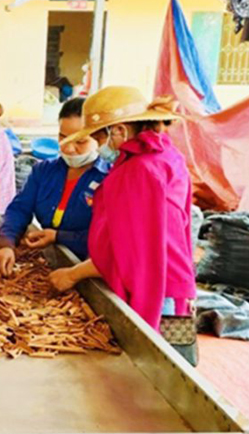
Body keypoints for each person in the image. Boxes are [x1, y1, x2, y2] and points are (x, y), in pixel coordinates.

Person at [48, 86, 196, 337]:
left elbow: (123, 251)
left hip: (153, 288)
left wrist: (73, 274)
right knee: (170, 355)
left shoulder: (137, 170)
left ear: (119, 130)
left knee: (150, 363)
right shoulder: (166, 155)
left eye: (100, 137)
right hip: (174, 281)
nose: (100, 145)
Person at [0, 98, 108, 277]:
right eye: (63, 137)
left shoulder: (109, 179)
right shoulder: (44, 171)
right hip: (49, 264)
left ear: (100, 139)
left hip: (89, 270)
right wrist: (6, 244)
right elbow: (19, 209)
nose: (68, 148)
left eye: (80, 141)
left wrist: (59, 236)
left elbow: (106, 239)